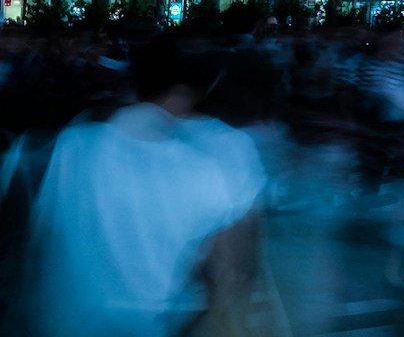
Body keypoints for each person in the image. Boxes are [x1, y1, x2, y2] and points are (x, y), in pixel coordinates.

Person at [14, 35, 270, 337]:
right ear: (186, 92)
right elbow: (232, 271)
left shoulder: (71, 146)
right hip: (144, 326)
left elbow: (29, 237)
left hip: (54, 321)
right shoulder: (208, 171)